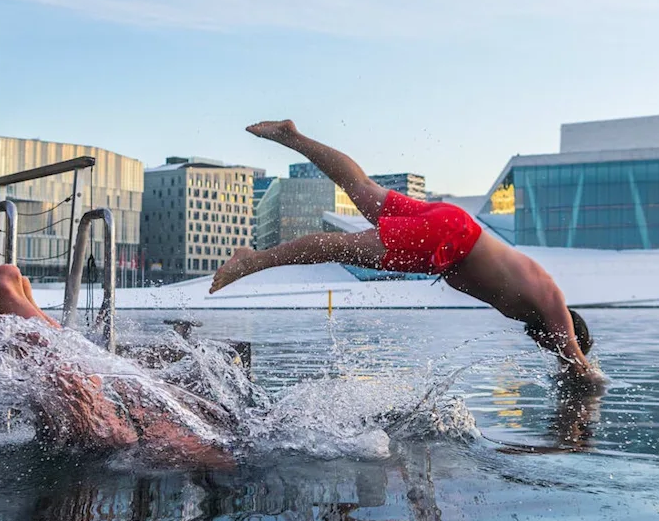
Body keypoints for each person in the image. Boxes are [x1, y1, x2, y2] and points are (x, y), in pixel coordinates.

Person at [210, 120, 599, 380]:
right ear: (568, 332)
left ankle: (291, 136)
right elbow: (580, 367)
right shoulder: (553, 306)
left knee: (360, 187)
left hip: (453, 227)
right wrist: (591, 378)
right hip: (450, 243)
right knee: (342, 248)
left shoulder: (537, 307)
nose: (551, 349)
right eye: (558, 345)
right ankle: (252, 260)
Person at [0, 265, 233, 467]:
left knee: (96, 421)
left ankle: (22, 306)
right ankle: (11, 303)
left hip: (226, 436)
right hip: (224, 446)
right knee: (102, 433)